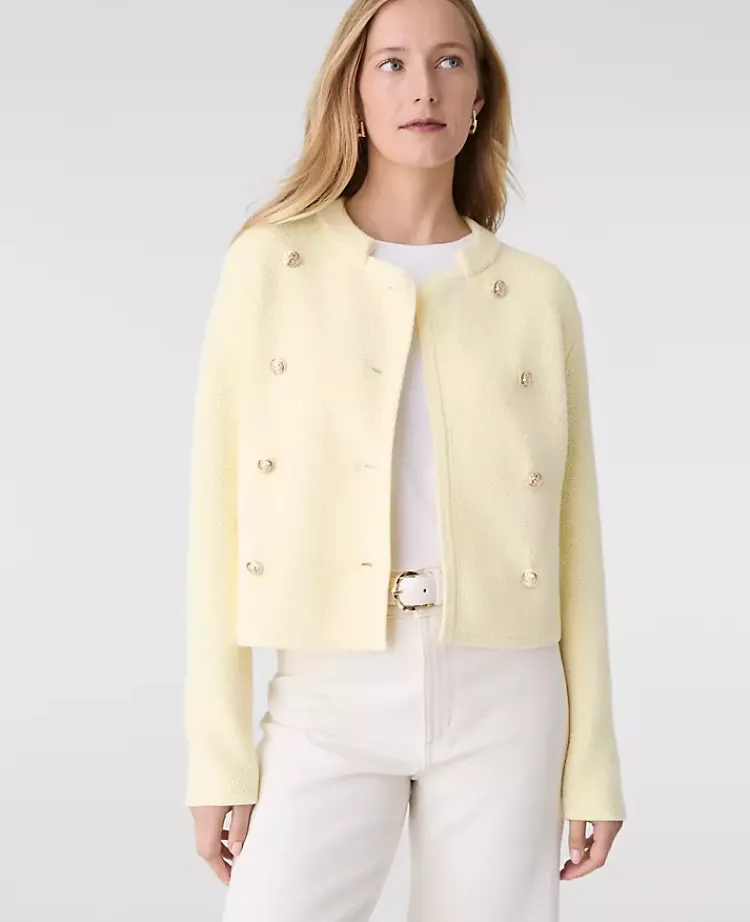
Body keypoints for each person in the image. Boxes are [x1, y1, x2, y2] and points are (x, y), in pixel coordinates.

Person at [183, 0, 627, 918]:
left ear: (481, 94)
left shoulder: (535, 295)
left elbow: (575, 538)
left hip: (508, 698)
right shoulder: (269, 267)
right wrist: (217, 753)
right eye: (391, 63)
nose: (422, 87)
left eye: (449, 61)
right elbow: (217, 515)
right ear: (351, 91)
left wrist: (593, 762)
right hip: (326, 695)